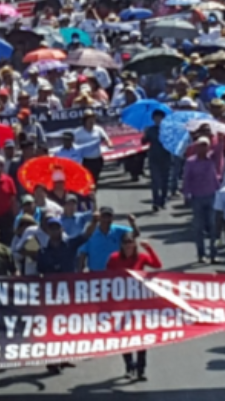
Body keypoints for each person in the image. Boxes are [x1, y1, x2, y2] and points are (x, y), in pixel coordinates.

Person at [107, 234, 162, 379]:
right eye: (125, 242)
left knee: (141, 336)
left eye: (131, 242)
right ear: (121, 245)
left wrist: (149, 248)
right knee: (124, 336)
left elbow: (157, 265)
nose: (128, 245)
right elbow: (106, 277)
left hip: (139, 303)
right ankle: (129, 366)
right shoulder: (114, 258)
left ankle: (141, 369)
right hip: (121, 303)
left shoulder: (141, 257)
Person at [182, 137, 222, 264]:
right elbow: (186, 179)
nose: (203, 148)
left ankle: (213, 254)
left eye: (205, 145)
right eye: (200, 145)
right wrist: (186, 194)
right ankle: (201, 254)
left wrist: (220, 138)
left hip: (212, 195)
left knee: (213, 226)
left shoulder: (212, 158)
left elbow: (219, 150)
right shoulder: (191, 162)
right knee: (198, 227)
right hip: (197, 197)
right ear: (196, 147)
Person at [77, 207, 139, 272]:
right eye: (104, 217)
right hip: (95, 273)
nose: (106, 220)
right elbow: (82, 253)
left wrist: (132, 223)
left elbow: (135, 234)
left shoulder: (118, 230)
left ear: (113, 218)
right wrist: (79, 272)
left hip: (115, 272)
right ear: (99, 218)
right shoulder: (91, 232)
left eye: (109, 217)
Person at [141, 109, 172, 211]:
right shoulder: (150, 130)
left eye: (160, 118)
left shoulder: (168, 130)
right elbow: (143, 143)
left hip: (166, 157)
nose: (158, 120)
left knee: (165, 181)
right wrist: (145, 135)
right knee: (155, 181)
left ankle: (163, 200)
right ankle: (155, 202)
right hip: (154, 158)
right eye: (156, 118)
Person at [74, 109, 113, 186]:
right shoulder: (78, 132)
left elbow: (105, 138)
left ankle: (92, 193)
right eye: (89, 119)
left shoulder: (98, 129)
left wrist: (109, 143)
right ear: (85, 120)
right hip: (84, 160)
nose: (92, 121)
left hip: (97, 159)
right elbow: (73, 145)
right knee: (87, 178)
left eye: (93, 118)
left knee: (95, 179)